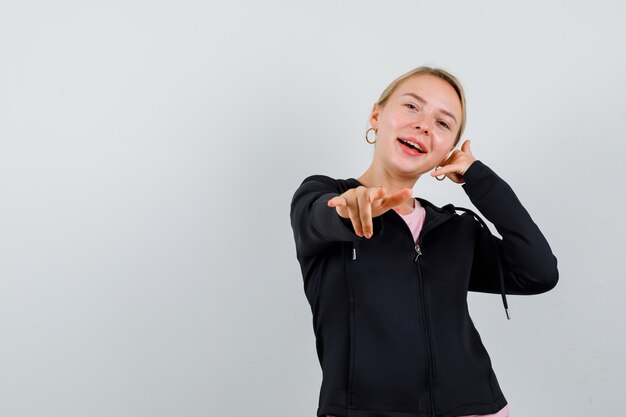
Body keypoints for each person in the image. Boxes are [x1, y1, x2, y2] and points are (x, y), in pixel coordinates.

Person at [289, 66, 558, 417]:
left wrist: (478, 178)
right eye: (412, 107)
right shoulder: (323, 195)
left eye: (443, 123)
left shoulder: (454, 229)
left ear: (446, 152)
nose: (424, 125)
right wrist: (350, 211)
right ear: (376, 115)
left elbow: (538, 271)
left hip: (476, 408)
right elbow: (321, 219)